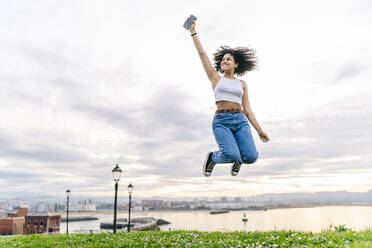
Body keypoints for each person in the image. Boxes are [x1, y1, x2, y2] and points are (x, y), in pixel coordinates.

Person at [185, 17, 270, 177]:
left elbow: (248, 111)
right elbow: (202, 54)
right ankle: (213, 158)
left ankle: (240, 160)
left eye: (228, 59)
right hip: (222, 122)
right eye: (223, 59)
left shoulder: (242, 84)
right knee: (231, 155)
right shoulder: (216, 78)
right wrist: (193, 32)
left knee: (251, 157)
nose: (225, 61)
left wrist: (260, 130)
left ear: (236, 64)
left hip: (240, 120)